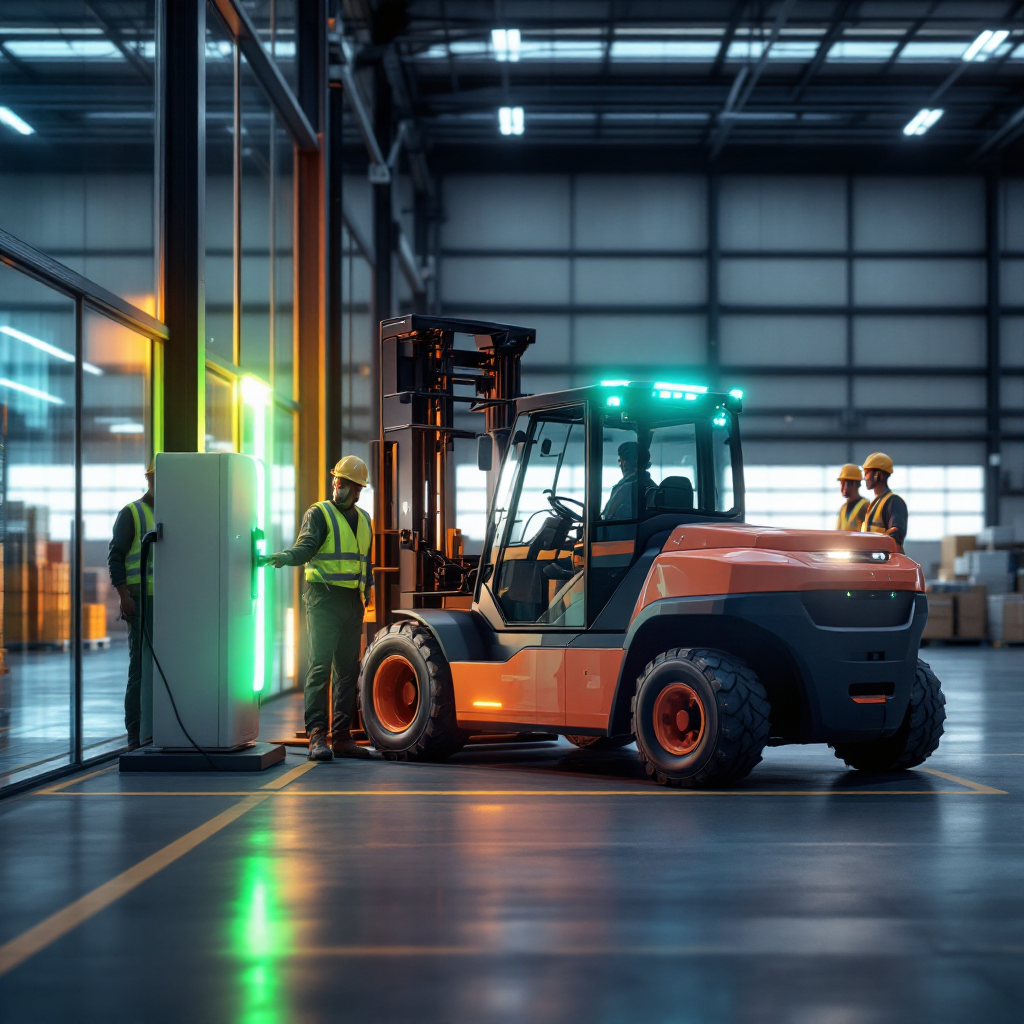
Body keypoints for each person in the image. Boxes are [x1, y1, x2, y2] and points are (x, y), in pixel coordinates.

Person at [266, 456, 373, 762]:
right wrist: (286, 556)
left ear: (357, 490)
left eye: (343, 483)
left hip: (353, 602)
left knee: (346, 672)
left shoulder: (365, 519)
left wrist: (369, 591)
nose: (336, 486)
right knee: (320, 667)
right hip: (323, 600)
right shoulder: (319, 513)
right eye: (336, 481)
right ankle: (316, 735)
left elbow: (366, 561)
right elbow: (307, 546)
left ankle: (340, 737)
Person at [108, 460, 155, 750]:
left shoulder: (174, 511)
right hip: (138, 598)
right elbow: (116, 555)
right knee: (138, 666)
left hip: (166, 600)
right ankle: (135, 732)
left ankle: (156, 727)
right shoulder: (132, 512)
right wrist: (124, 596)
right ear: (149, 480)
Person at [860, 452, 908, 553]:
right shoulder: (874, 504)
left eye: (867, 473)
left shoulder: (894, 502)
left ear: (879, 475)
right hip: (870, 561)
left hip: (885, 563)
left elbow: (895, 537)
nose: (865, 478)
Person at [602, 441, 654, 520]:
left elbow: (608, 517)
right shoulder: (654, 487)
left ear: (625, 464)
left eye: (620, 461)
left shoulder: (624, 488)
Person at [835, 463, 868, 532]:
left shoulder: (865, 507)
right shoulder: (843, 508)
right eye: (841, 484)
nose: (841, 487)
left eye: (844, 483)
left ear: (853, 484)